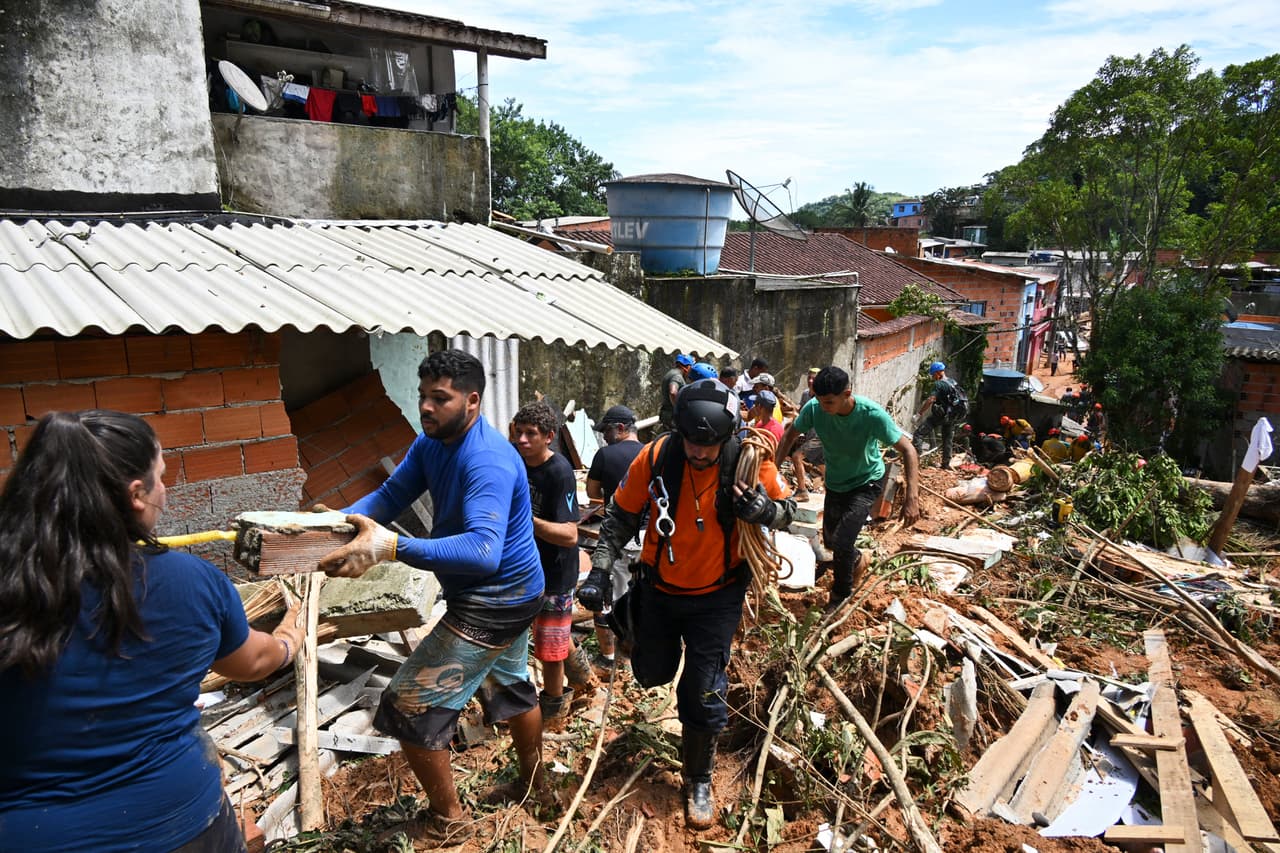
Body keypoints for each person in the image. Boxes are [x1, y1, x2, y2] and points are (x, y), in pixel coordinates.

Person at [0, 410, 304, 853]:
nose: (168, 488)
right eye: (161, 476)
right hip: (181, 825)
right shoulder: (189, 581)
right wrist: (289, 639)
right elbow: (252, 661)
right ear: (136, 494)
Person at [318, 350, 547, 841]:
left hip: (498, 595)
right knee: (508, 683)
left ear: (472, 401)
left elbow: (484, 551)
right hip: (510, 590)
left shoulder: (486, 460)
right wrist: (340, 525)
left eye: (439, 398)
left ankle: (449, 823)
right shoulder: (432, 443)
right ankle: (535, 785)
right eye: (423, 396)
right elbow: (388, 497)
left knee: (406, 708)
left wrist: (392, 547)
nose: (426, 407)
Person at [577, 379, 795, 830]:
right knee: (651, 672)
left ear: (728, 434)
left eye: (709, 445)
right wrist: (599, 571)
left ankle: (698, 775)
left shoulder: (748, 461)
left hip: (717, 597)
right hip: (660, 589)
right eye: (692, 443)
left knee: (703, 688)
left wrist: (762, 511)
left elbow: (789, 510)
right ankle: (640, 633)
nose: (699, 453)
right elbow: (619, 515)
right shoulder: (657, 457)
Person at [777, 366, 920, 611]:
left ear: (847, 394)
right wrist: (772, 470)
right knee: (832, 542)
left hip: (866, 482)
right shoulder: (815, 408)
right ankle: (857, 559)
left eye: (830, 402)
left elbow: (908, 449)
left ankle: (840, 597)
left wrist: (911, 498)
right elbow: (790, 435)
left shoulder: (872, 415)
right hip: (835, 483)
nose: (824, 407)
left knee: (842, 542)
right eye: (819, 401)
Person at [511, 400, 595, 728]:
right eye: (518, 433)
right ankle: (584, 676)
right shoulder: (517, 461)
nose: (522, 439)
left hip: (554, 572)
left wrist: (526, 521)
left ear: (548, 437)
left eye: (530, 434)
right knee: (553, 634)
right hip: (525, 566)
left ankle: (554, 711)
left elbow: (570, 535)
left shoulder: (558, 472)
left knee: (549, 648)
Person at [584, 405, 644, 670]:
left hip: (618, 536)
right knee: (647, 597)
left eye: (607, 431)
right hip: (651, 537)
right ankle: (646, 659)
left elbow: (592, 492)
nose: (605, 437)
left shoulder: (605, 455)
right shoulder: (651, 453)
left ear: (620, 429)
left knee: (616, 600)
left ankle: (618, 662)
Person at [912, 361, 964, 470]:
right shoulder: (952, 381)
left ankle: (916, 461)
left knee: (918, 434)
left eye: (933, 374)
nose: (932, 377)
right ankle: (946, 464)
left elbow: (931, 399)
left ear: (938, 373)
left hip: (940, 416)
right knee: (947, 439)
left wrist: (919, 414)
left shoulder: (939, 384)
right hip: (951, 417)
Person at [789, 367, 823, 501]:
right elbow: (802, 412)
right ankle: (841, 490)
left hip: (820, 437)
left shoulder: (822, 396)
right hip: (811, 436)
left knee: (796, 457)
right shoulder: (805, 395)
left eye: (814, 378)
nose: (810, 380)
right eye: (809, 377)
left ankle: (802, 491)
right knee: (821, 464)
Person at [660, 354, 695, 431]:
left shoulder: (671, 372)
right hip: (672, 417)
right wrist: (678, 408)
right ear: (688, 367)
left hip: (666, 414)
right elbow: (673, 392)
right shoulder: (677, 376)